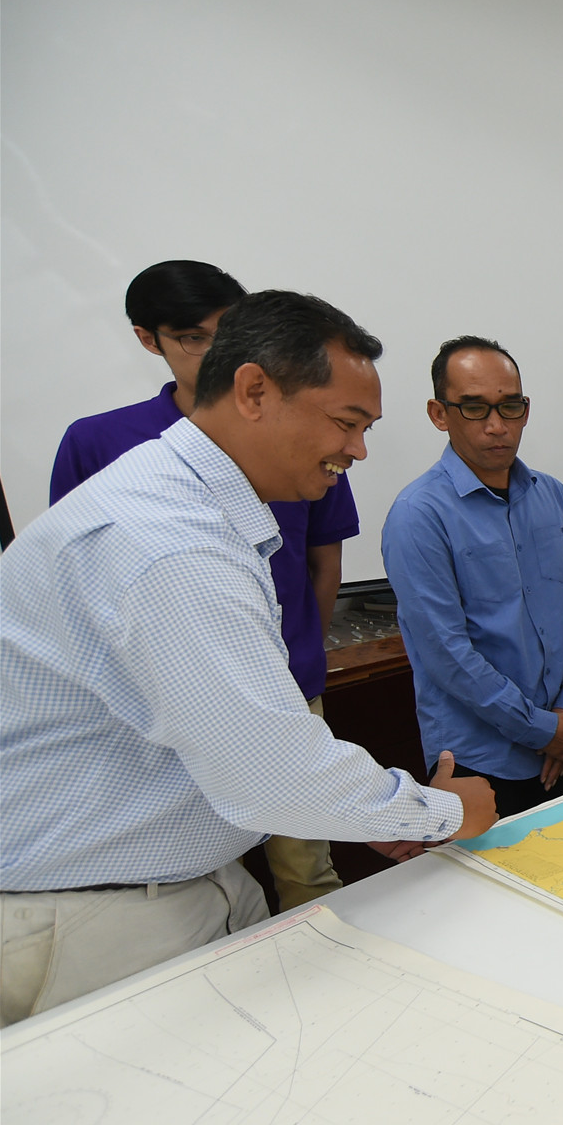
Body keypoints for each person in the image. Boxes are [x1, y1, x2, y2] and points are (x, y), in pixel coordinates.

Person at [0, 291, 495, 1026]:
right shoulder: (169, 543)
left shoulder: (187, 505)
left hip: (165, 886)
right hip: (91, 920)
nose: (358, 451)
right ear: (255, 391)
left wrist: (369, 812)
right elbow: (272, 768)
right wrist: (442, 812)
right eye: (346, 422)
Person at [49, 260, 355, 912]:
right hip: (162, 710)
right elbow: (77, 580)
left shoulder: (302, 433)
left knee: (307, 869)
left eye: (230, 332)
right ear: (147, 339)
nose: (218, 351)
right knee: (195, 884)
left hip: (284, 688)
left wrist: (296, 656)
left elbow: (323, 563)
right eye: (193, 337)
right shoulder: (99, 443)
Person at [382, 338, 563, 818]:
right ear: (440, 414)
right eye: (475, 408)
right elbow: (447, 653)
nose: (497, 425)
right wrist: (540, 729)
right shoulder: (418, 515)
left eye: (510, 406)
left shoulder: (552, 495)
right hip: (481, 760)